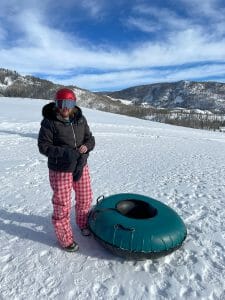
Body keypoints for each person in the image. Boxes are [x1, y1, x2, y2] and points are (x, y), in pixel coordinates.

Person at [38, 88, 95, 252]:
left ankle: (83, 224)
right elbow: (44, 146)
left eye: (69, 103)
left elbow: (90, 138)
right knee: (62, 204)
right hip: (60, 169)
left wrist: (87, 146)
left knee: (85, 198)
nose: (65, 107)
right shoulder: (49, 122)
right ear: (56, 104)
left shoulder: (80, 119)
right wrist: (66, 153)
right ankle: (65, 239)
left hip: (80, 165)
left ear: (74, 104)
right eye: (61, 103)